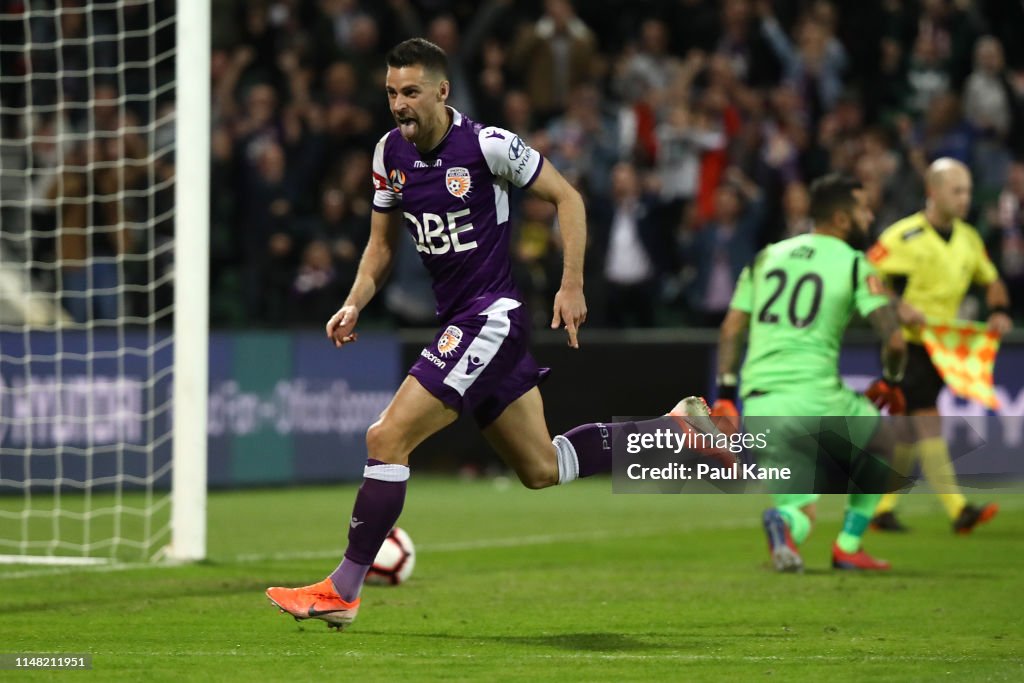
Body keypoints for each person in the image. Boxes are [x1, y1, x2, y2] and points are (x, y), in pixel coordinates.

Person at [265, 38, 707, 629]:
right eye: (392, 92)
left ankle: (343, 589)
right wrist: (353, 302)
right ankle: (672, 429)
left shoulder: (488, 145)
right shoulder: (387, 154)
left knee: (386, 436)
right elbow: (379, 248)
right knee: (542, 468)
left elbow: (568, 199)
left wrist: (571, 284)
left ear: (442, 91)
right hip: (464, 322)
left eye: (412, 92)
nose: (400, 104)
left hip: (490, 316)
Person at [713, 174, 908, 572]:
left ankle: (783, 528)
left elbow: (732, 328)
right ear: (840, 218)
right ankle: (849, 545)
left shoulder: (767, 256)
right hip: (817, 397)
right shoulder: (855, 263)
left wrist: (725, 394)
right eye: (862, 208)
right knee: (889, 443)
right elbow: (895, 340)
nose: (869, 216)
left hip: (762, 401)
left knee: (800, 510)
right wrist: (892, 381)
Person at [867, 157, 1013, 534]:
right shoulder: (904, 237)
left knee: (906, 431)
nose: (965, 198)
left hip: (943, 347)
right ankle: (958, 509)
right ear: (932, 192)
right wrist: (898, 306)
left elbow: (992, 280)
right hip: (906, 344)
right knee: (927, 420)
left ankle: (881, 508)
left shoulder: (968, 238)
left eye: (967, 190)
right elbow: (868, 276)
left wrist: (998, 309)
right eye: (957, 190)